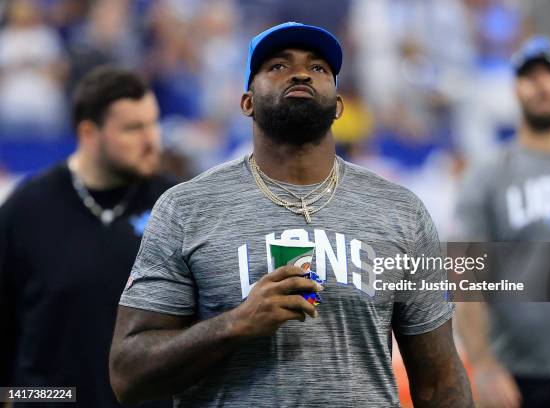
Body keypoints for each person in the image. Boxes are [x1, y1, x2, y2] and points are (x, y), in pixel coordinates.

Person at [109, 22, 473, 407]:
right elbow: (127, 375)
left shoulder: (400, 211)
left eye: (318, 68)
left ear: (338, 106)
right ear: (247, 101)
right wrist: (234, 324)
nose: (300, 72)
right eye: (278, 66)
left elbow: (439, 382)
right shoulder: (186, 207)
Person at [0, 66, 173, 407]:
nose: (152, 140)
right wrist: (26, 398)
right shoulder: (26, 209)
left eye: (153, 123)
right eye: (133, 128)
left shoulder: (175, 204)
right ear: (89, 133)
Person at [455, 37, 550, 408]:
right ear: (515, 89)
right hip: (517, 376)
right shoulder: (488, 175)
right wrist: (482, 363)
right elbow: (465, 275)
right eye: (529, 76)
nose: (541, 84)